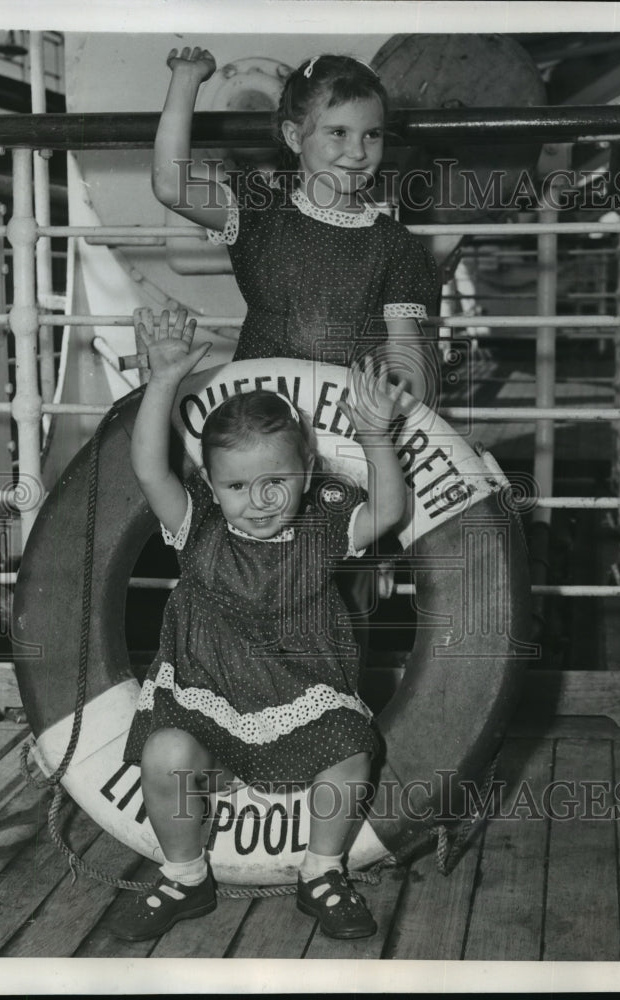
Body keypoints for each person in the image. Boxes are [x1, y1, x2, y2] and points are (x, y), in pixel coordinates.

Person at [111, 309, 409, 942]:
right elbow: (148, 470)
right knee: (165, 754)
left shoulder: (326, 526)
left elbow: (387, 510)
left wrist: (376, 434)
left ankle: (321, 874)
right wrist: (161, 380)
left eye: (277, 480)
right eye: (239, 485)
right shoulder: (198, 530)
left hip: (300, 701)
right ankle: (186, 876)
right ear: (213, 487)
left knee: (353, 751)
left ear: (306, 470)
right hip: (207, 707)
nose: (261, 499)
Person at [151, 46, 439, 379]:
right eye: (339, 133)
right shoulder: (257, 211)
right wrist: (186, 80)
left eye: (372, 135)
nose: (358, 151)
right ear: (294, 136)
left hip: (343, 424)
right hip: (254, 416)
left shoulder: (394, 244)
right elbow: (170, 185)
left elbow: (407, 362)